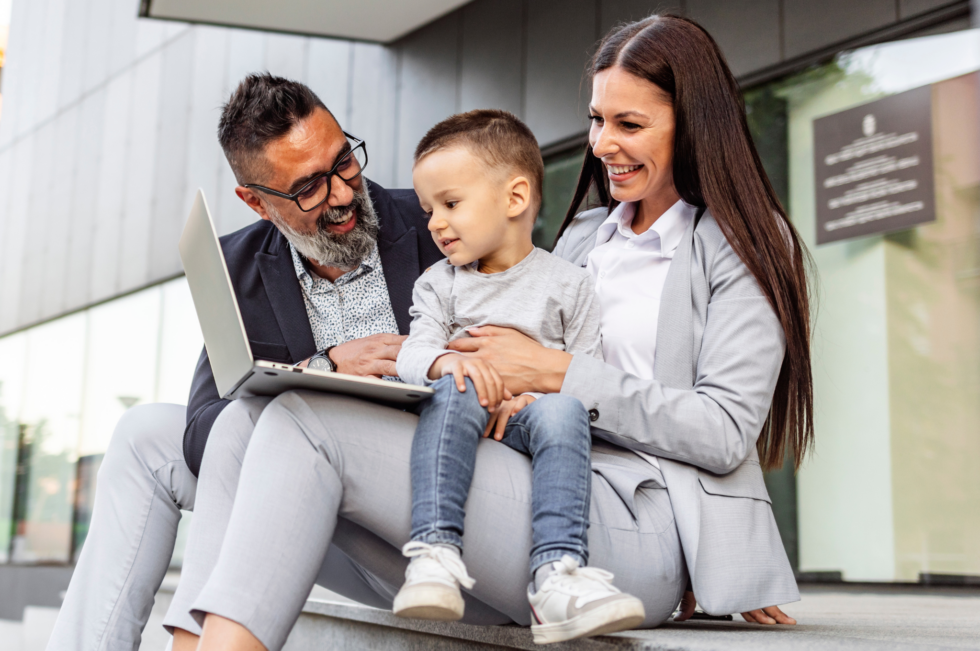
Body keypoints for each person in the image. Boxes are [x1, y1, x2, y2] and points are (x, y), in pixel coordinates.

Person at [188, 13, 812, 651]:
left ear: (694, 125)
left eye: (630, 124)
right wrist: (502, 389)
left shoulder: (744, 246)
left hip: (644, 521)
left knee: (301, 419)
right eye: (598, 119)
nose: (601, 144)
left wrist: (554, 374)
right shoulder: (584, 236)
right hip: (533, 484)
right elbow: (518, 359)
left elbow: (726, 429)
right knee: (244, 423)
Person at [46, 73, 444, 651]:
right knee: (143, 435)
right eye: (308, 188)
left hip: (418, 509)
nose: (339, 195)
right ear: (256, 202)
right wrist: (324, 369)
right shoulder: (238, 264)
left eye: (344, 163)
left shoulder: (439, 223)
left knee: (248, 420)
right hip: (302, 507)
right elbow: (202, 430)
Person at [392, 109, 645, 644]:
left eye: (451, 203)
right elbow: (412, 354)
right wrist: (446, 361)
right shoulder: (438, 285)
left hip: (533, 421)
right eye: (428, 209)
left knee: (565, 408)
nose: (434, 222)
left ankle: (557, 575)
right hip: (460, 416)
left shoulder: (570, 286)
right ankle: (434, 553)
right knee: (456, 386)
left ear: (514, 198)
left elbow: (585, 371)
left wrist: (532, 393)